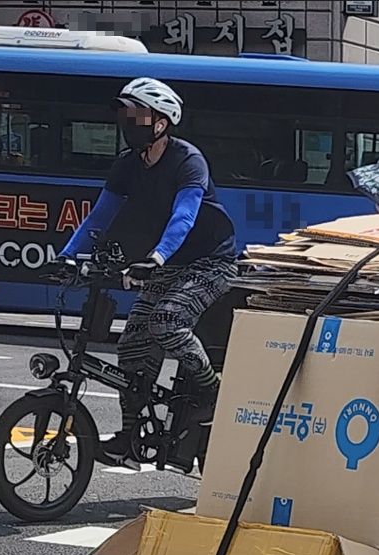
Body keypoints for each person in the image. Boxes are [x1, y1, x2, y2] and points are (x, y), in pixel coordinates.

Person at [57, 77, 237, 469]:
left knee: (167, 321)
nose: (127, 122)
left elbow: (183, 216)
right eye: (125, 114)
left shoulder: (187, 159)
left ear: (161, 122)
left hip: (210, 262)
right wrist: (67, 256)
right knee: (132, 346)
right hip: (167, 264)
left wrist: (156, 257)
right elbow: (101, 215)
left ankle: (210, 392)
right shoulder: (127, 165)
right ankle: (128, 439)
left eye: (137, 114)